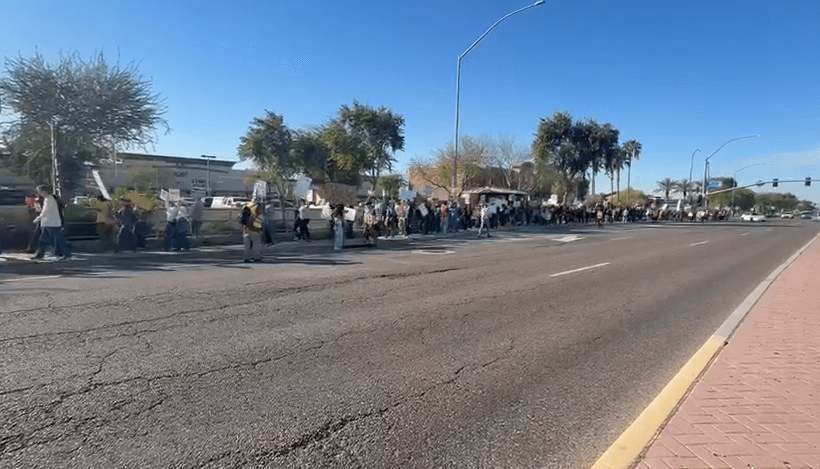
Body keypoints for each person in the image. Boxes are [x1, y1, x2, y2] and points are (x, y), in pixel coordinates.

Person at [31, 186, 69, 260]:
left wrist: (39, 218)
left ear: (44, 191)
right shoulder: (48, 199)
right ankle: (40, 254)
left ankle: (65, 254)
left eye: (39, 191)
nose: (39, 193)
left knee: (57, 239)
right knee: (44, 239)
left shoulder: (49, 199)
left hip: (52, 223)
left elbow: (46, 211)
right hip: (48, 223)